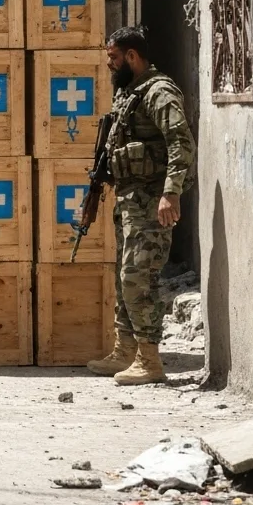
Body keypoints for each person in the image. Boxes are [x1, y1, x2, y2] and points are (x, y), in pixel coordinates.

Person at [87, 26, 195, 385]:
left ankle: (149, 360)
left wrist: (171, 192)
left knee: (138, 279)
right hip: (130, 201)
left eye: (114, 57)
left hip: (151, 202)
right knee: (124, 277)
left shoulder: (159, 91)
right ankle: (125, 351)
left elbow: (181, 143)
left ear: (132, 56)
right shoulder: (129, 92)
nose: (109, 64)